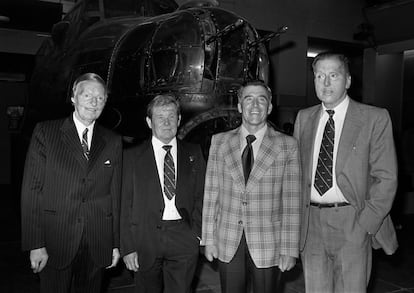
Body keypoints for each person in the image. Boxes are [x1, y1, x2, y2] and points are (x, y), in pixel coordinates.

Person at [293, 52, 398, 293]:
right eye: (320, 76)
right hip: (312, 225)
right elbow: (297, 175)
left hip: (353, 220)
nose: (326, 83)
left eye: (333, 75)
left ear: (348, 80)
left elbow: (386, 178)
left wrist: (365, 223)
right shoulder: (304, 118)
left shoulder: (374, 118)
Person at [21, 72, 122, 292]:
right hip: (56, 240)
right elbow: (32, 190)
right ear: (73, 98)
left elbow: (115, 195)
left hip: (97, 241)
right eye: (87, 95)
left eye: (100, 98)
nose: (94, 102)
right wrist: (36, 244)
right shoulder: (46, 133)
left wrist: (114, 243)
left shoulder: (113, 141)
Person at [202, 80, 301, 293]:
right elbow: (211, 195)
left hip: (269, 242)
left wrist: (289, 249)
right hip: (228, 239)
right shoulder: (219, 142)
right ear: (239, 106)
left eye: (261, 100)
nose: (255, 106)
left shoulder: (287, 145)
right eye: (248, 99)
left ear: (270, 107)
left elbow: (292, 202)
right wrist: (208, 239)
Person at [120, 94, 206, 293]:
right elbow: (124, 204)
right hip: (145, 239)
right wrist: (128, 247)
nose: (166, 122)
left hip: (183, 238)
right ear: (149, 122)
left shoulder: (194, 153)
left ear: (179, 120)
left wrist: (197, 234)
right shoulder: (131, 157)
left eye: (171, 116)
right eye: (160, 117)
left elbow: (202, 196)